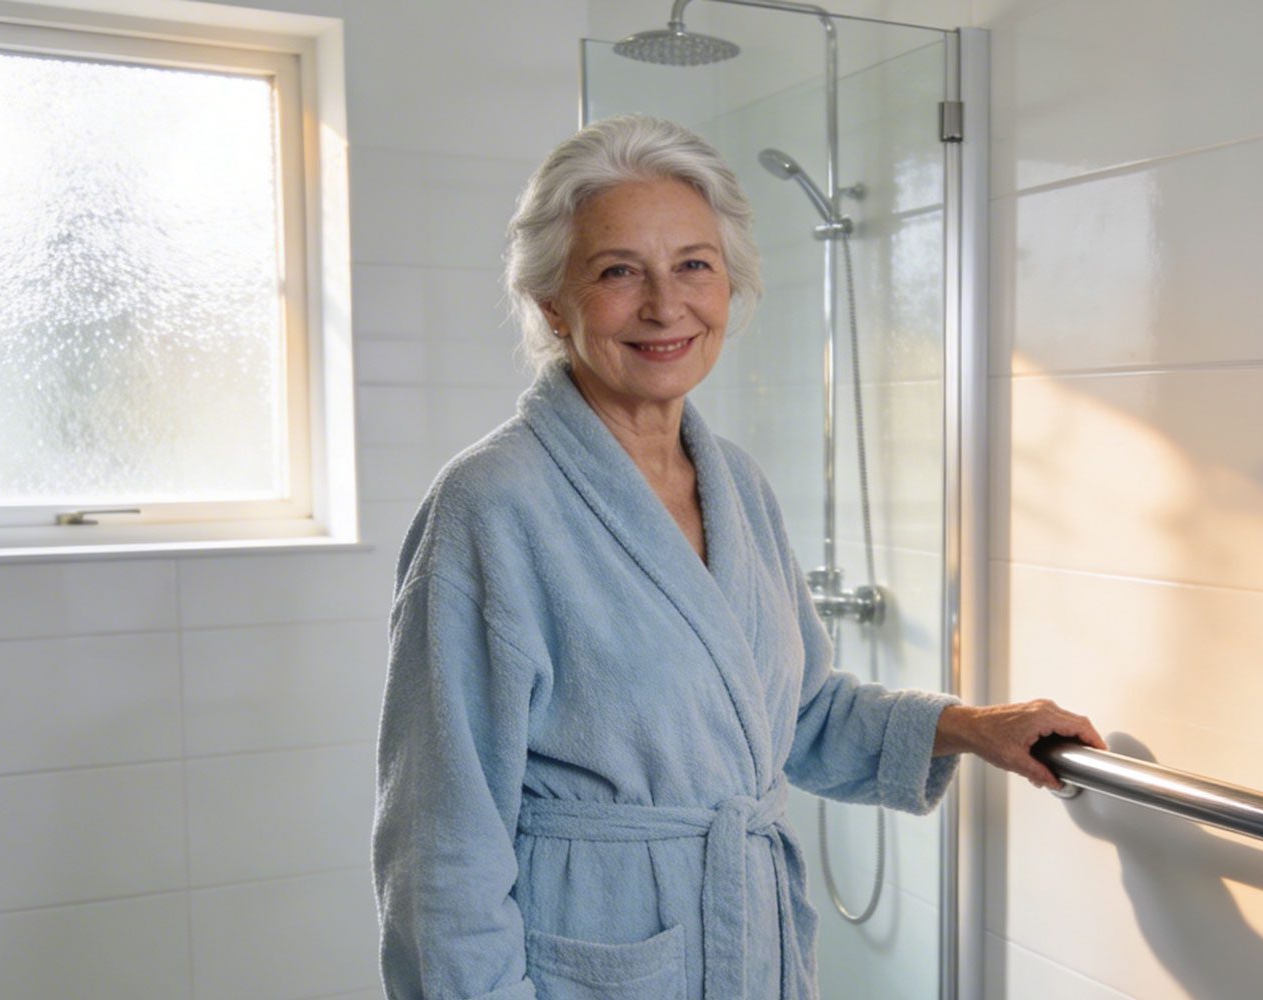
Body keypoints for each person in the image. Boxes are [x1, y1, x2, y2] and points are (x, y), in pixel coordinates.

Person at [372, 114, 1105, 1000]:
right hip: (596, 961)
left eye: (693, 264)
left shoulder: (736, 486)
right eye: (617, 272)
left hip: (746, 946)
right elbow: (441, 844)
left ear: (730, 286)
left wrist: (973, 726)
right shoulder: (491, 507)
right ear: (552, 305)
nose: (664, 304)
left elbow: (793, 715)